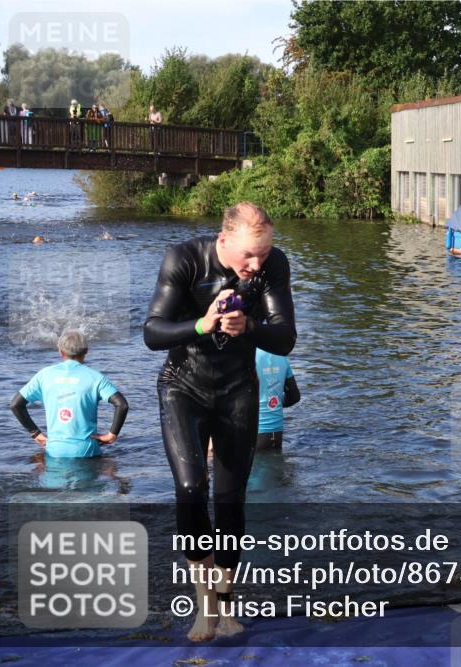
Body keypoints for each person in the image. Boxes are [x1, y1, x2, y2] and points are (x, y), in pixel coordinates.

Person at [143, 201, 296, 641]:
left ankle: (226, 607)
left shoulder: (272, 265)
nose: (255, 264)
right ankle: (202, 603)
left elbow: (285, 338)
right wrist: (201, 324)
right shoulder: (185, 259)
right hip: (183, 387)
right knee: (191, 488)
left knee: (230, 501)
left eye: (263, 254)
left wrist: (247, 327)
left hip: (236, 389)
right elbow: (152, 331)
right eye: (248, 255)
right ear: (223, 241)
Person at [10, 330, 129, 458]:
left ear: (60, 351)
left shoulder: (44, 375)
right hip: (87, 450)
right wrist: (112, 435)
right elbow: (122, 405)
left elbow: (16, 404)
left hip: (55, 450)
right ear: (86, 351)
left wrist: (35, 434)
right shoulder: (95, 377)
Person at [255, 348, 300, 449]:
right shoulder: (282, 356)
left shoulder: (246, 356)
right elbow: (294, 397)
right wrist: (274, 404)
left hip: (252, 433)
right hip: (277, 433)